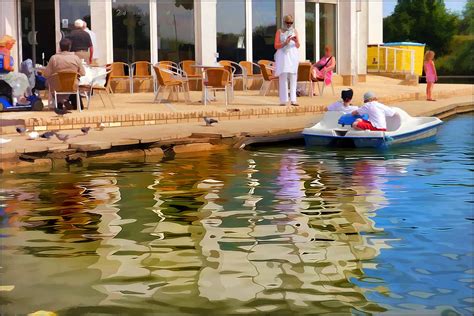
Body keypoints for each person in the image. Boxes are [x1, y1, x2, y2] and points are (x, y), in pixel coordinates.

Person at [43, 38, 85, 109]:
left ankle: (60, 101)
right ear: (70, 47)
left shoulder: (54, 58)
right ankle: (65, 100)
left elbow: (46, 74)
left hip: (57, 87)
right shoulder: (76, 58)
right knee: (73, 85)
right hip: (72, 86)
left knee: (48, 83)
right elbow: (83, 73)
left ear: (60, 47)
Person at [274, 14, 300, 106]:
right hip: (283, 56)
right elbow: (276, 46)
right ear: (284, 22)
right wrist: (285, 43)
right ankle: (283, 100)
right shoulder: (279, 31)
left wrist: (296, 41)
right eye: (287, 22)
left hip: (293, 56)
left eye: (291, 23)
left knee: (293, 76)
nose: (289, 24)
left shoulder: (294, 31)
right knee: (283, 77)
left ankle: (293, 99)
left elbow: (298, 46)